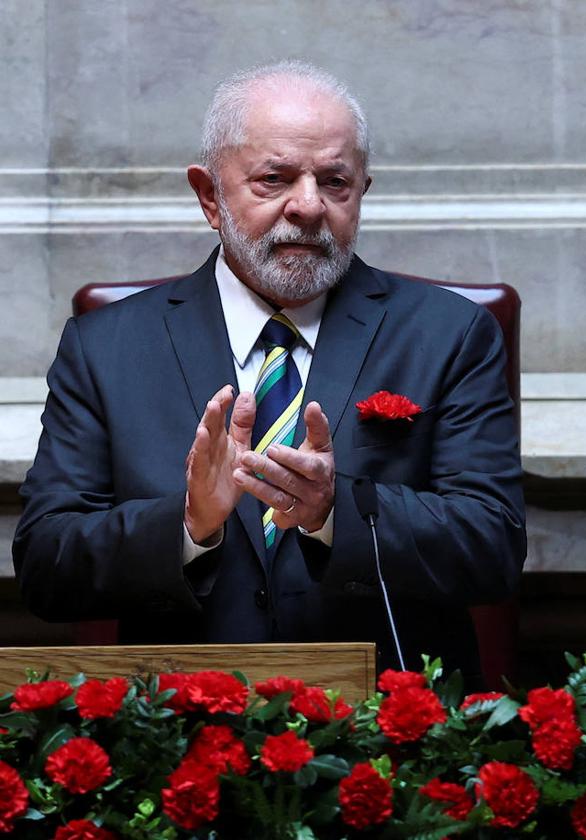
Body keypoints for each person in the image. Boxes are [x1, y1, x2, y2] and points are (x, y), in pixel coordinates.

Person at [14, 62, 525, 682]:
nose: (308, 207)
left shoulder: (448, 334)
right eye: (274, 179)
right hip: (180, 732)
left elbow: (493, 548)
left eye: (335, 181)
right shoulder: (107, 347)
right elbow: (46, 567)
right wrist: (187, 524)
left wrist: (334, 510)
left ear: (362, 190)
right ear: (209, 195)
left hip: (387, 732)